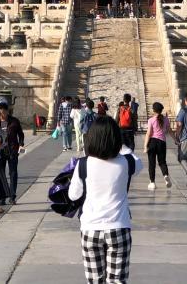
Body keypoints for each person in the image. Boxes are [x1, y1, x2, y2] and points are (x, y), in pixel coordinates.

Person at [68, 115, 142, 284]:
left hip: (91, 228)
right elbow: (138, 161)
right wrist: (121, 146)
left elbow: (73, 195)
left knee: (95, 281)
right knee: (117, 281)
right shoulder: (127, 162)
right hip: (119, 227)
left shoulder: (83, 164)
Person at [0, 101, 25, 204]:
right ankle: (3, 196)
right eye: (0, 112)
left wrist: (21, 144)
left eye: (3, 112)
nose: (2, 115)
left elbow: (21, 134)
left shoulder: (14, 121)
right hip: (0, 151)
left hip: (13, 150)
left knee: (13, 173)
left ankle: (12, 196)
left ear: (7, 111)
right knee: (1, 174)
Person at [144, 102, 171, 190]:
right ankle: (166, 176)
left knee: (152, 163)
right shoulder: (166, 119)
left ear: (154, 110)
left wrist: (145, 146)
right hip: (162, 142)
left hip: (152, 142)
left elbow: (148, 133)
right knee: (162, 162)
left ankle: (152, 183)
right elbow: (169, 131)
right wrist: (176, 140)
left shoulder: (151, 120)